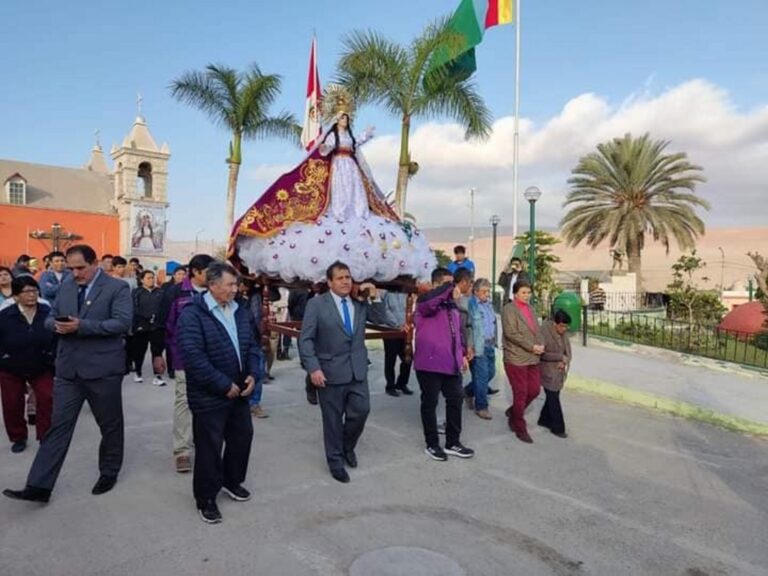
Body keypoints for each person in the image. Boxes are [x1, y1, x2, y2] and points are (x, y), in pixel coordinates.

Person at [233, 85, 434, 284]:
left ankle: (356, 215)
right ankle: (339, 214)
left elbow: (356, 146)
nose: (344, 120)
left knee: (356, 196)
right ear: (336, 119)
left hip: (352, 169)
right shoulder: (333, 135)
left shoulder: (349, 137)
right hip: (338, 168)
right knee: (339, 195)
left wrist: (366, 135)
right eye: (341, 117)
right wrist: (326, 145)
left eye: (346, 117)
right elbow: (323, 150)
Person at [3, 244, 132, 503]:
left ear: (95, 263)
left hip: (102, 370)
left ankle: (108, 472)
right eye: (71, 268)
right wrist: (56, 326)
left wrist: (81, 326)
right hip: (68, 370)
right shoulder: (67, 286)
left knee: (110, 426)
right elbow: (50, 316)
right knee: (56, 427)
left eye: (80, 268)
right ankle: (39, 486)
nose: (75, 273)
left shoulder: (117, 288)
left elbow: (122, 323)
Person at [177, 261, 261, 524]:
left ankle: (231, 481)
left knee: (241, 438)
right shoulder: (192, 313)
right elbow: (193, 356)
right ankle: (206, 498)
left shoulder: (241, 310)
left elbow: (253, 347)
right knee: (209, 448)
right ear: (212, 285)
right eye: (230, 285)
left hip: (240, 390)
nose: (235, 289)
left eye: (236, 284)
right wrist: (223, 384)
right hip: (210, 393)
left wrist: (253, 375)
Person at [298, 261, 374, 483]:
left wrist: (373, 296)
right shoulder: (317, 305)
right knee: (332, 420)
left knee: (361, 411)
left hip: (357, 370)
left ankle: (347, 446)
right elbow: (306, 339)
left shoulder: (359, 303)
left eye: (348, 277)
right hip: (329, 372)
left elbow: (381, 317)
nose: (345, 281)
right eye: (340, 278)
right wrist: (313, 368)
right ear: (330, 282)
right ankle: (335, 461)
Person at [414, 267, 475, 461]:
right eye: (446, 284)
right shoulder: (424, 302)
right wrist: (448, 288)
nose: (451, 288)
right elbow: (432, 301)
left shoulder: (452, 306)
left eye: (452, 283)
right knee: (430, 404)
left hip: (451, 364)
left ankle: (452, 442)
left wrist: (463, 354)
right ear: (435, 285)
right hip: (430, 364)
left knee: (455, 400)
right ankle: (432, 444)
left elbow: (457, 333)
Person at [163, 253, 215, 473]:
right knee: (184, 402)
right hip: (184, 358)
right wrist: (164, 354)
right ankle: (182, 450)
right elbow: (167, 326)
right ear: (196, 271)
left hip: (213, 359)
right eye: (209, 272)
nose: (214, 276)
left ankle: (205, 444)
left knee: (210, 403)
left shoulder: (217, 292)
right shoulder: (176, 293)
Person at [0, 276, 56, 452]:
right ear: (16, 296)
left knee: (47, 398)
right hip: (11, 367)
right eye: (26, 291)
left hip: (41, 364)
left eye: (34, 290)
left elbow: (56, 336)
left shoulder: (47, 311)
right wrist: (4, 357)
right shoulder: (5, 315)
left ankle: (45, 435)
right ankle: (18, 437)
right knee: (12, 404)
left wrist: (51, 356)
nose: (32, 295)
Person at [502, 280, 544, 444]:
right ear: (515, 294)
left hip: (533, 356)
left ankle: (514, 412)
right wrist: (531, 346)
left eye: (528, 292)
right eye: (523, 292)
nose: (527, 295)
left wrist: (540, 344)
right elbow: (511, 333)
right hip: (516, 357)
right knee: (521, 392)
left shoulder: (530, 309)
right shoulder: (509, 309)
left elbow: (537, 330)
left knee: (534, 390)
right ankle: (519, 426)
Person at [368, 290, 413, 397]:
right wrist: (397, 325)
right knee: (390, 359)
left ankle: (401, 383)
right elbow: (385, 312)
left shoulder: (405, 294)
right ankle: (390, 386)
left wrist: (407, 324)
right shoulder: (386, 294)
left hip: (404, 331)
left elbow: (410, 310)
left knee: (408, 358)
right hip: (390, 330)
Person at [466, 278, 498, 420]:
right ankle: (481, 406)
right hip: (479, 345)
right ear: (476, 291)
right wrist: (469, 346)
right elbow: (467, 328)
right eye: (484, 291)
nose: (487, 294)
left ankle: (467, 391)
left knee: (491, 373)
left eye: (488, 291)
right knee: (482, 376)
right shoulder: (470, 305)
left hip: (490, 344)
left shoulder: (489, 305)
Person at [538, 310, 572, 438]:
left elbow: (567, 351)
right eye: (562, 326)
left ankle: (544, 419)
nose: (564, 329)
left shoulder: (563, 333)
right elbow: (542, 353)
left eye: (566, 327)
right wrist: (558, 357)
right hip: (547, 370)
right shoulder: (543, 332)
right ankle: (558, 428)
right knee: (553, 398)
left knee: (553, 395)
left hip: (559, 371)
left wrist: (564, 361)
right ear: (555, 324)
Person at [132, 270, 166, 386]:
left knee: (157, 351)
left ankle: (157, 375)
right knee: (140, 350)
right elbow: (134, 309)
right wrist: (141, 321)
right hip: (142, 326)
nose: (151, 280)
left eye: (152, 277)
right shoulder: (136, 292)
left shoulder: (160, 292)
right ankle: (138, 372)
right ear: (142, 280)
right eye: (148, 278)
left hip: (157, 327)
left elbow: (164, 309)